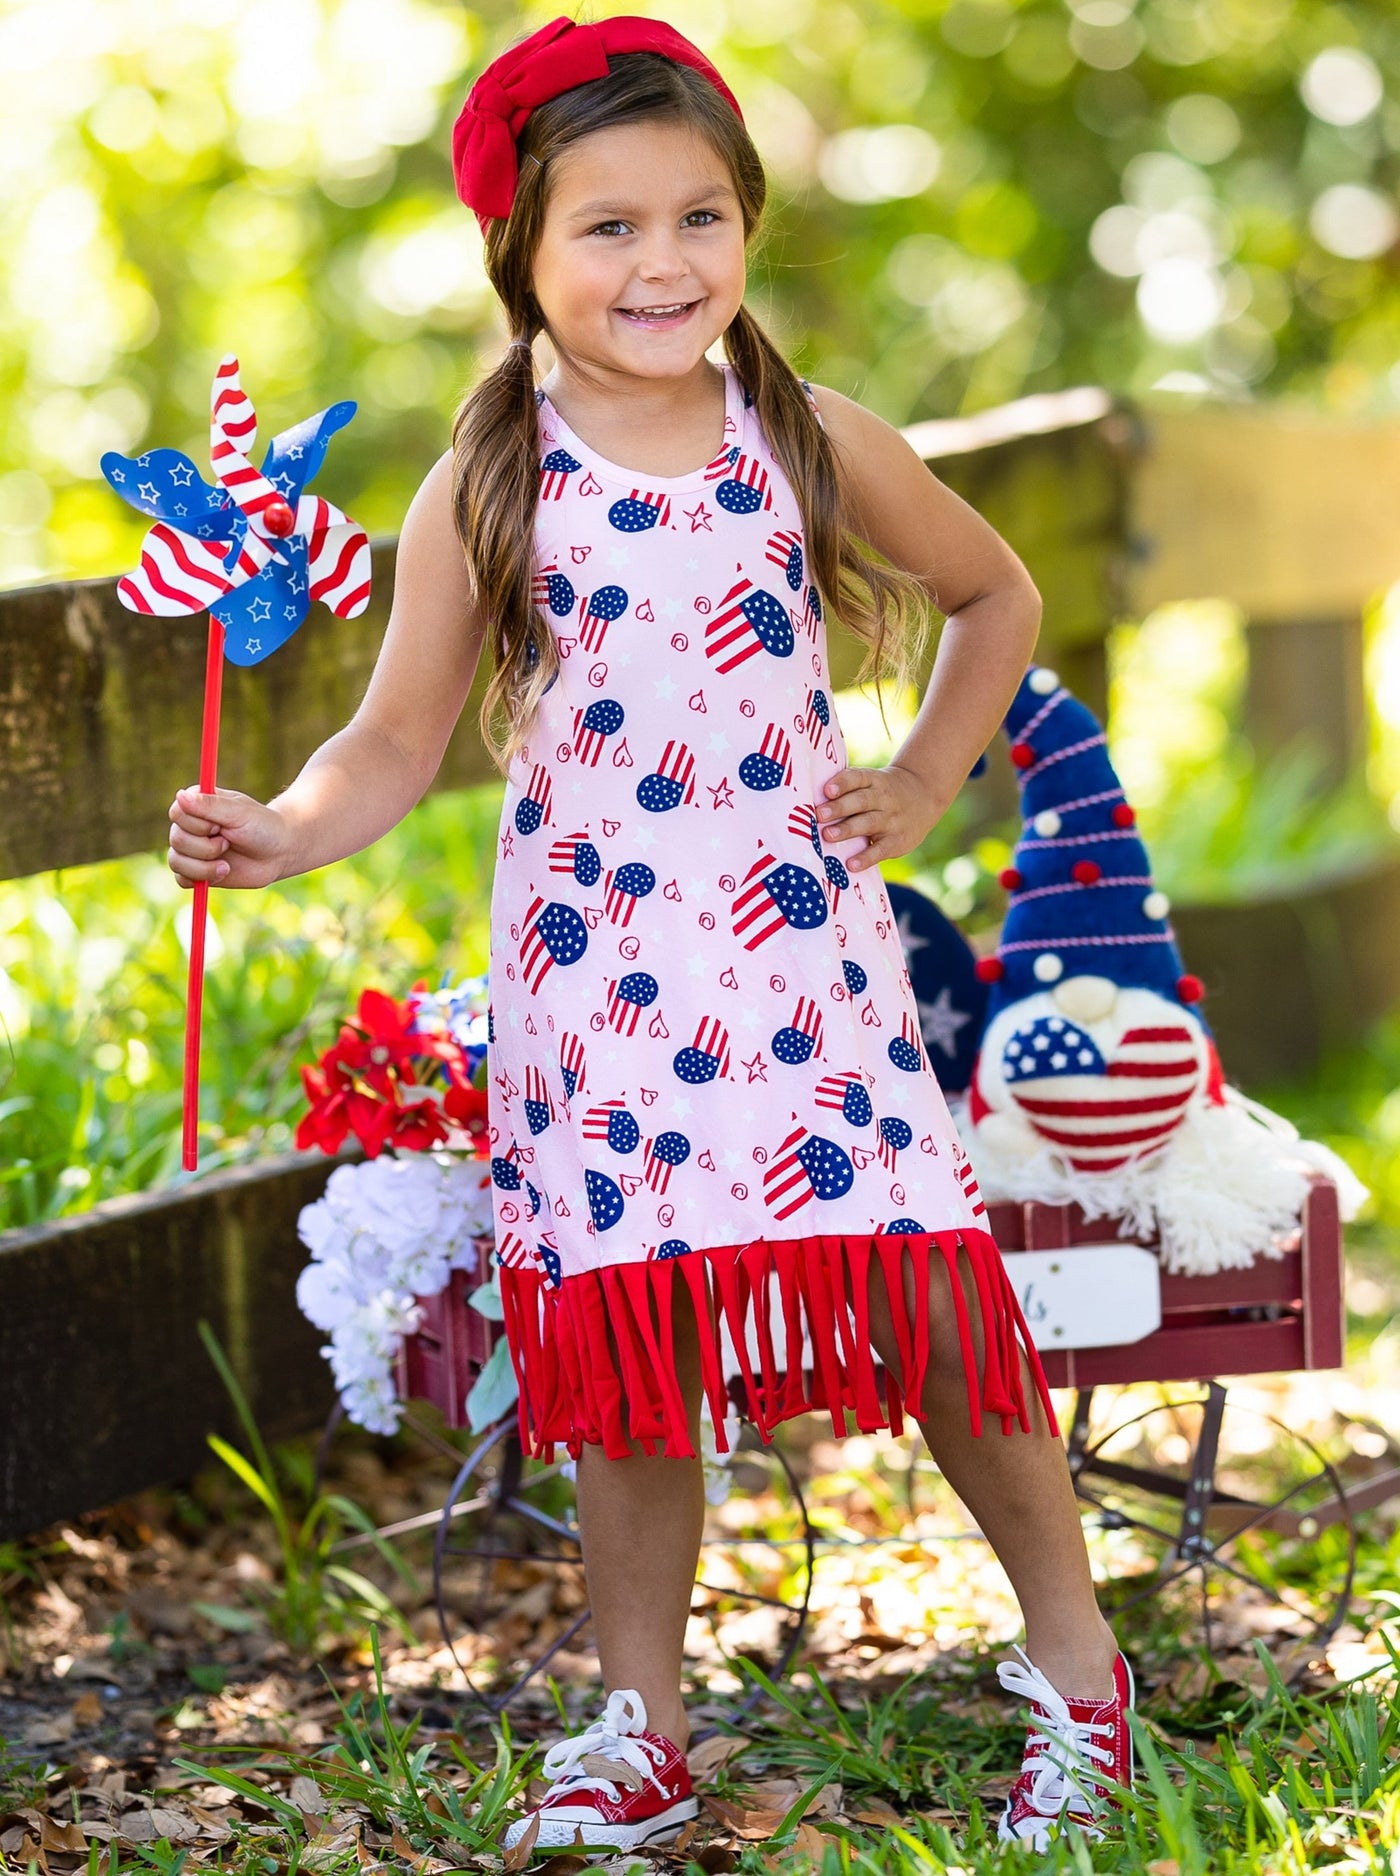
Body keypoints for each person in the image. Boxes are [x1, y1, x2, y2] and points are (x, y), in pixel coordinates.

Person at [167, 13, 1133, 1857]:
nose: (663, 262)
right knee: (629, 1353)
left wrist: (928, 774)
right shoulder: (492, 482)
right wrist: (280, 832)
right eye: (607, 227)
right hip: (602, 983)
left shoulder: (801, 438)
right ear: (520, 251)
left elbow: (990, 590)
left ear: (750, 228)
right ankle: (639, 1726)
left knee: (932, 1293)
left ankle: (1081, 1675)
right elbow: (386, 742)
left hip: (801, 958)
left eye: (701, 216)